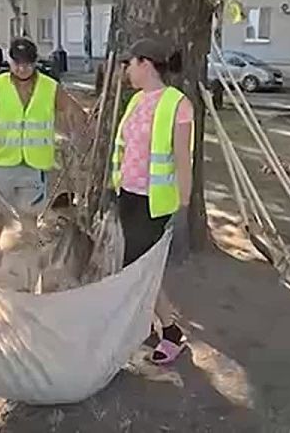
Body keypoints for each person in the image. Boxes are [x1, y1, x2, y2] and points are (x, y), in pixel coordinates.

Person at [110, 37, 192, 365]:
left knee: (144, 270)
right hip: (128, 196)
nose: (127, 69)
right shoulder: (136, 101)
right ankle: (146, 326)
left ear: (146, 63)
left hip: (154, 203)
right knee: (135, 267)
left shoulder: (177, 103)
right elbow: (124, 148)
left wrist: (182, 207)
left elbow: (183, 160)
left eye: (130, 63)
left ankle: (171, 332)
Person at [0, 36, 87, 257]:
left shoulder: (50, 87)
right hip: (2, 162)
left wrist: (76, 133)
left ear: (35, 62)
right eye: (17, 63)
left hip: (35, 165)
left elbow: (74, 111)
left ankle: (31, 261)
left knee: (30, 214)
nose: (22, 68)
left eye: (27, 63)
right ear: (10, 61)